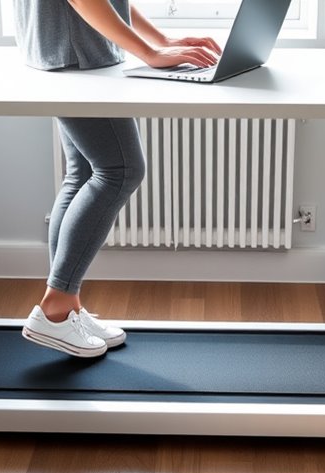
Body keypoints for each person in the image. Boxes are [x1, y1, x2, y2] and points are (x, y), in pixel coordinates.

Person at [14, 0, 222, 358]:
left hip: (68, 51)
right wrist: (150, 51)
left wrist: (161, 41)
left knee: (81, 174)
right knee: (122, 170)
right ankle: (57, 305)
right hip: (78, 55)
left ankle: (68, 308)